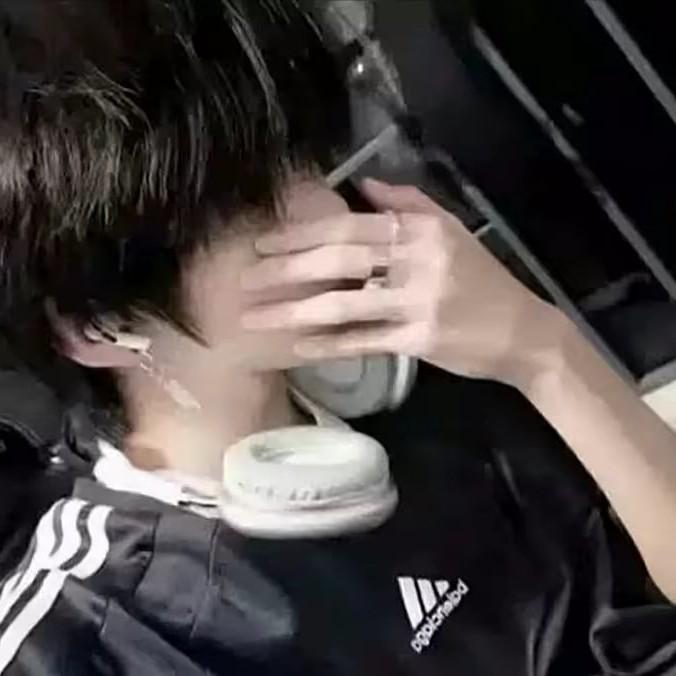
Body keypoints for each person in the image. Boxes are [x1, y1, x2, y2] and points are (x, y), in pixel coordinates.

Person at [0, 0, 675, 674]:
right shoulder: (87, 637)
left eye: (303, 161)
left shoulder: (438, 352)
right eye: (248, 204)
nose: (325, 210)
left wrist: (544, 354)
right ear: (101, 325)